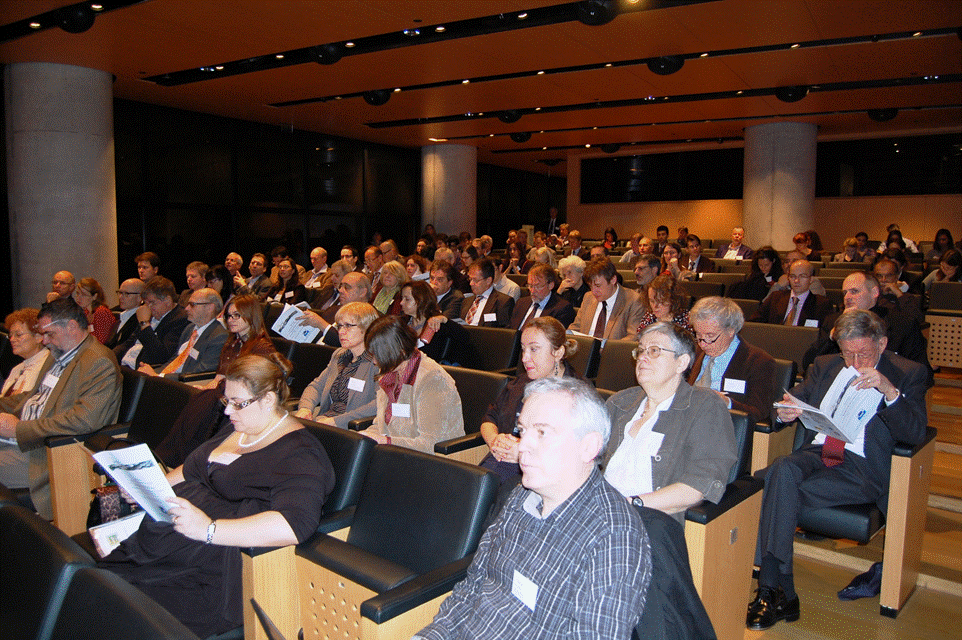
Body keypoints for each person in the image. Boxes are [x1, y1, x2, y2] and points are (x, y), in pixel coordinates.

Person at [100, 353, 334, 639]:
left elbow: (292, 525)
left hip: (219, 565)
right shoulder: (240, 428)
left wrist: (208, 529)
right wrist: (150, 489)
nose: (227, 411)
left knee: (125, 611)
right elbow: (192, 469)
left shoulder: (300, 453)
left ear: (269, 400)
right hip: (175, 545)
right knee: (101, 589)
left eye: (238, 403)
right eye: (227, 401)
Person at [415, 377, 652, 640]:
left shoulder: (614, 536)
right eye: (523, 431)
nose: (523, 446)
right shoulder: (520, 496)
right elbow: (472, 586)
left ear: (588, 446)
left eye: (542, 432)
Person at [748, 310, 929, 631]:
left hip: (860, 468)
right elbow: (791, 401)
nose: (855, 363)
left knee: (775, 479)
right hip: (818, 453)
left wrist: (889, 391)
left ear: (882, 343)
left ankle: (774, 589)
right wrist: (787, 410)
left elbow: (915, 433)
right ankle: (779, 590)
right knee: (783, 469)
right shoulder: (827, 365)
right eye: (848, 354)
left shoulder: (907, 373)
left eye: (864, 354)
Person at [603, 322, 737, 526]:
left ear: (681, 362)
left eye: (654, 351)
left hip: (650, 520)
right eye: (640, 351)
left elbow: (699, 485)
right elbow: (584, 459)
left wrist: (630, 505)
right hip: (602, 513)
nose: (643, 357)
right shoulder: (620, 402)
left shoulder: (704, 406)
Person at [0, 298, 121, 519]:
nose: (44, 341)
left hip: (50, 454)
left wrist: (19, 430)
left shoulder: (98, 362)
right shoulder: (59, 354)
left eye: (49, 333)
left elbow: (83, 420)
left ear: (72, 327)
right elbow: (33, 396)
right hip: (26, 442)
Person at [479, 317, 582, 482]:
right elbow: (490, 417)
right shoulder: (520, 382)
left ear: (558, 352)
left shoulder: (578, 394)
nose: (524, 358)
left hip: (540, 476)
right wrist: (495, 441)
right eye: (523, 349)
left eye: (534, 349)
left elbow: (571, 450)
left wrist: (522, 450)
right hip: (497, 463)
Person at [357, 316, 464, 453]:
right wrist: (365, 437)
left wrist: (385, 441)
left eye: (378, 355)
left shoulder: (432, 379)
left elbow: (432, 444)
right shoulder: (390, 372)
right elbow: (381, 425)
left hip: (429, 462)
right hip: (393, 454)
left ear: (399, 352)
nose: (374, 362)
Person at [805, 271, 930, 375]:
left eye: (854, 291)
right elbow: (809, 363)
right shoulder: (833, 321)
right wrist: (832, 336)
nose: (847, 297)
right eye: (845, 293)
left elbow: (921, 371)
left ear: (874, 293)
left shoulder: (902, 323)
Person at [688, 297, 776, 424]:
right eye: (698, 335)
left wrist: (727, 403)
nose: (703, 344)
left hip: (723, 427)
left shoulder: (758, 362)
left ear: (731, 331)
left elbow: (759, 412)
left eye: (710, 336)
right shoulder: (696, 352)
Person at [294, 302, 379, 428]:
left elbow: (379, 404)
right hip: (325, 418)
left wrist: (337, 421)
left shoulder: (378, 361)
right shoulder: (339, 355)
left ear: (367, 328)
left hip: (351, 426)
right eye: (340, 326)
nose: (341, 332)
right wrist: (305, 409)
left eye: (348, 326)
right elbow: (316, 386)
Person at [140, 288, 229, 377]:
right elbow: (175, 360)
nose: (186, 308)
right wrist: (155, 372)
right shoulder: (189, 328)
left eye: (192, 305)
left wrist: (158, 376)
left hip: (186, 385)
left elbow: (198, 373)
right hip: (171, 378)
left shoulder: (219, 336)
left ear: (210, 308)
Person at [114, 276, 190, 369]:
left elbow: (160, 356)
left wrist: (144, 324)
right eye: (146, 303)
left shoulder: (180, 319)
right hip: (125, 366)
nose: (148, 307)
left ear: (167, 300)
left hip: (144, 371)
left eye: (152, 303)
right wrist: (110, 358)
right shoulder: (151, 315)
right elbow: (128, 344)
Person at [398, 280, 473, 367]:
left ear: (421, 301)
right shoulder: (401, 323)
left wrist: (445, 320)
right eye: (402, 298)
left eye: (407, 299)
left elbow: (466, 337)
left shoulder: (437, 323)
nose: (401, 302)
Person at [568, 258, 645, 340]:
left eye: (598, 286)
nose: (593, 291)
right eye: (590, 286)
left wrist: (606, 348)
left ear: (613, 280)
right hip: (585, 349)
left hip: (612, 351)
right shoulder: (588, 297)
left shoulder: (634, 300)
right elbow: (576, 327)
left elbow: (633, 337)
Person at [750, 260, 833, 328]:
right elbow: (754, 321)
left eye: (802, 276)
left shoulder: (822, 304)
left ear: (811, 279)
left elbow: (823, 335)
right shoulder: (775, 297)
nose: (796, 281)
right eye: (793, 276)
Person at [508, 264, 575, 330]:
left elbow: (553, 338)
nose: (532, 291)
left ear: (550, 285)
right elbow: (511, 330)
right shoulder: (521, 303)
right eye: (530, 286)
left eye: (538, 286)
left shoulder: (562, 308)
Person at [2, 309, 50, 398]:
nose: (12, 339)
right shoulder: (17, 369)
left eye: (18, 335)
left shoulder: (48, 366)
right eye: (11, 335)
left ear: (38, 337)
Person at [461, 259, 515, 327]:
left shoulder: (503, 302)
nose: (471, 283)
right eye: (470, 279)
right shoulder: (466, 301)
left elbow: (502, 333)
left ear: (488, 281)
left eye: (475, 280)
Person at [73, 277, 119, 344]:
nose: (78, 297)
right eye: (77, 293)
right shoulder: (85, 312)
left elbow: (101, 341)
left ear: (94, 296)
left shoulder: (101, 312)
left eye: (83, 294)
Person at [109, 278, 145, 349]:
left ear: (140, 297)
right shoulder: (121, 317)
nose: (120, 297)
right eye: (120, 293)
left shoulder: (139, 319)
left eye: (126, 294)